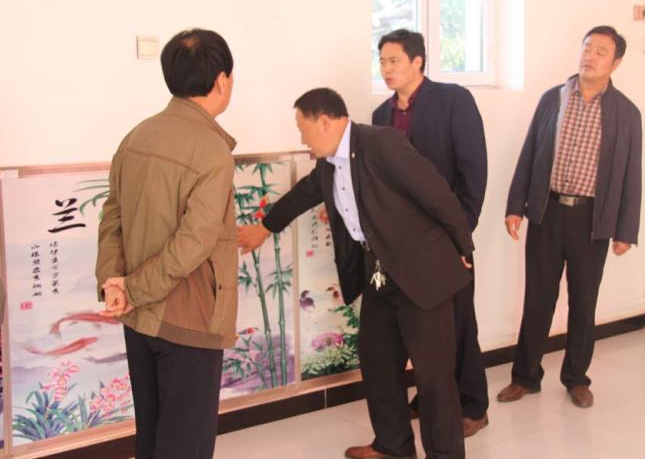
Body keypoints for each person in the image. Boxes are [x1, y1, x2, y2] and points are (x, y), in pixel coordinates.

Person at [238, 87, 472, 459]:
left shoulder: (382, 143)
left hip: (420, 272)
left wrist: (463, 247)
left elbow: (436, 193)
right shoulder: (329, 164)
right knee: (377, 362)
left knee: (433, 376)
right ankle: (393, 445)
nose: (302, 139)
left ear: (324, 122)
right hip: (379, 273)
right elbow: (304, 194)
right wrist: (265, 228)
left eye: (303, 130)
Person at [96, 28, 238, 459]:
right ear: (221, 81)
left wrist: (114, 282)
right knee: (186, 445)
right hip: (187, 320)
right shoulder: (211, 150)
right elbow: (194, 243)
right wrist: (134, 288)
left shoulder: (136, 136)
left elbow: (112, 216)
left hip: (139, 318)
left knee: (153, 437)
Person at [498, 26, 642, 408]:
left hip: (592, 220)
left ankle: (576, 378)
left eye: (601, 51)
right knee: (537, 298)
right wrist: (515, 206)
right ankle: (525, 376)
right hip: (546, 212)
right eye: (587, 48)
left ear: (616, 62)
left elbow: (632, 174)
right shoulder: (553, 98)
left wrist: (625, 230)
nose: (590, 56)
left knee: (583, 302)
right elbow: (530, 151)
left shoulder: (626, 113)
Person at [373, 29, 489, 436]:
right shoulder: (381, 116)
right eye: (382, 62)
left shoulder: (453, 100)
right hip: (405, 245)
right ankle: (432, 397)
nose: (386, 69)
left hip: (447, 236)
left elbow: (474, 171)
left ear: (417, 61)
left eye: (394, 61)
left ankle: (473, 405)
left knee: (459, 323)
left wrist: (460, 236)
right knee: (422, 329)